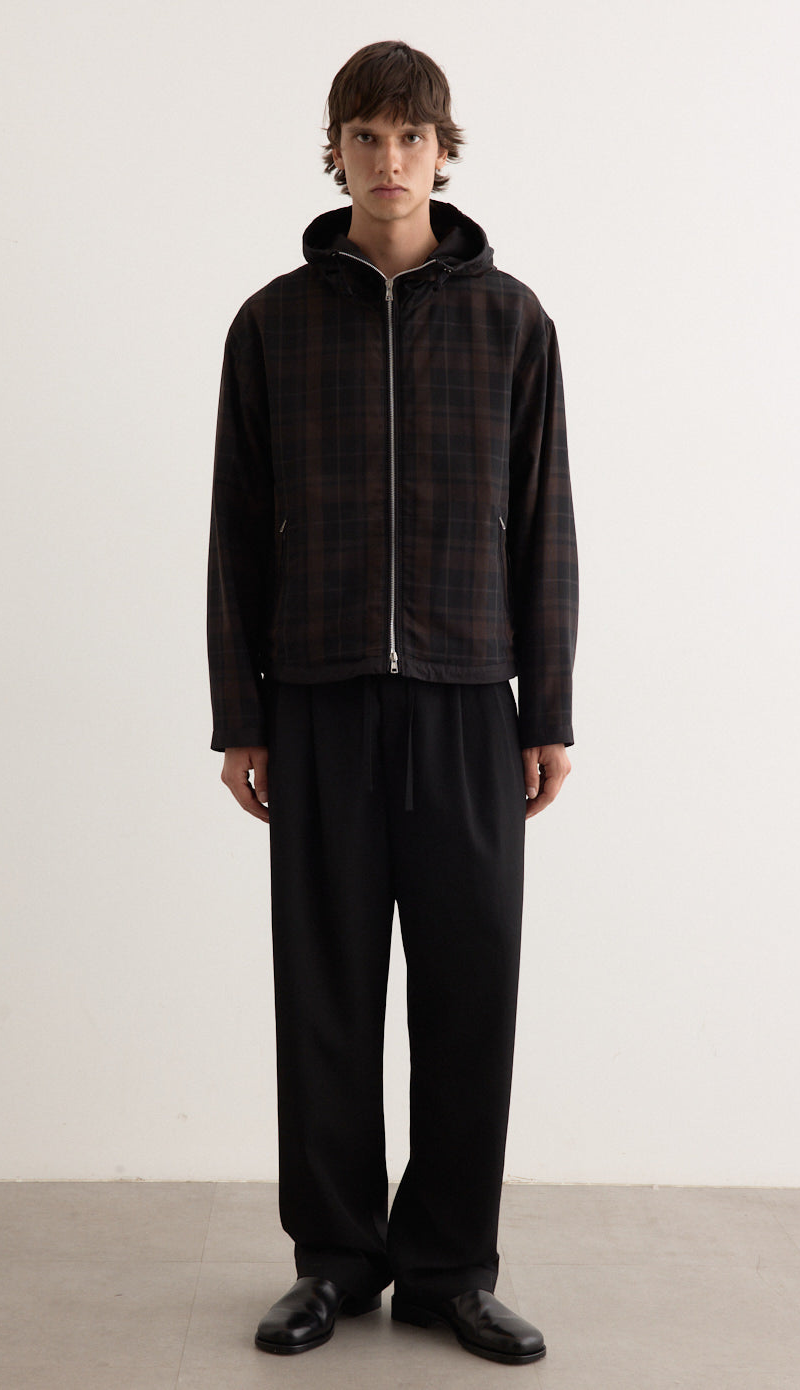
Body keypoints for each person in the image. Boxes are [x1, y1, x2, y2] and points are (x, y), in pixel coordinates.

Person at [207, 40, 578, 1367]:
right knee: (324, 990)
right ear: (336, 152)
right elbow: (236, 531)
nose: (387, 159)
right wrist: (239, 716)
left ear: (442, 149)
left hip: (470, 697)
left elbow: (545, 522)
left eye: (409, 136)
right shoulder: (272, 323)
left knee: (471, 986)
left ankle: (449, 1268)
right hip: (315, 699)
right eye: (363, 137)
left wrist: (548, 708)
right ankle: (334, 1259)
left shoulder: (511, 321)